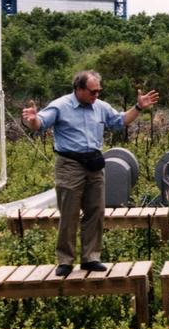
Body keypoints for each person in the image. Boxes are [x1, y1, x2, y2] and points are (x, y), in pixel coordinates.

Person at [22, 71, 158, 278]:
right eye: (92, 91)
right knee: (69, 213)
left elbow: (120, 121)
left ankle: (90, 257)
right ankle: (65, 260)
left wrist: (138, 107)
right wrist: (31, 120)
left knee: (96, 211)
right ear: (79, 89)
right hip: (69, 164)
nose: (96, 95)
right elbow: (39, 124)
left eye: (98, 91)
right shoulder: (60, 105)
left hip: (94, 163)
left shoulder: (100, 107)